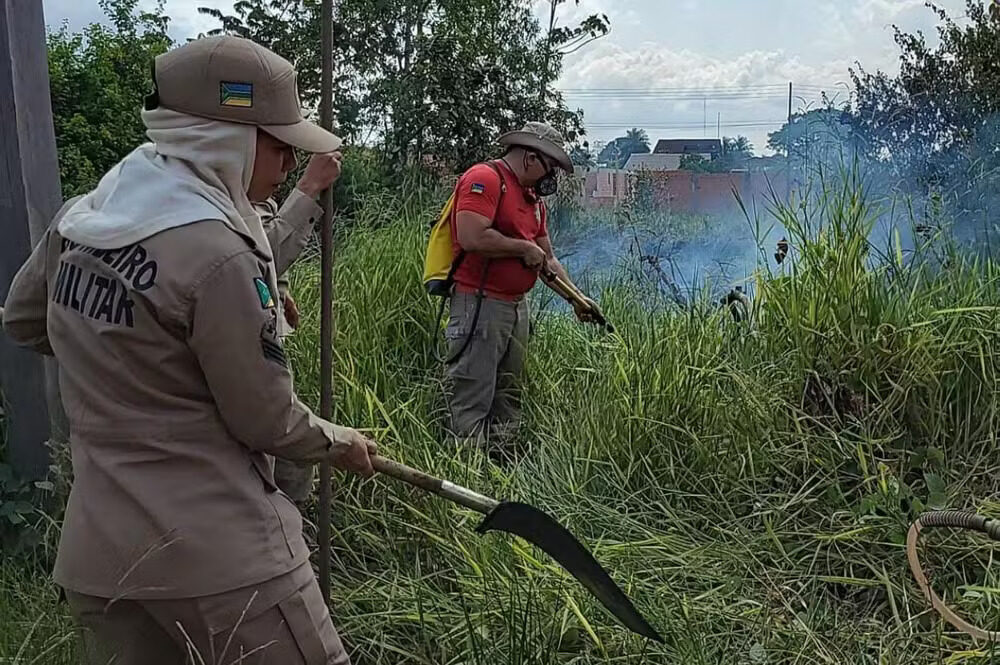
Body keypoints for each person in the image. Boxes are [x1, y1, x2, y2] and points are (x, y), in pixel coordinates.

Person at [2, 35, 373, 664]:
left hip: (102, 564)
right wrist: (341, 444)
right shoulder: (220, 251)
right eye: (278, 146)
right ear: (226, 140)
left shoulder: (86, 218)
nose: (286, 165)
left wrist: (133, 367)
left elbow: (26, 321)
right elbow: (266, 419)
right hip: (223, 565)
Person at [444, 121, 596, 452]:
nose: (550, 177)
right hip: (480, 304)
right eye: (550, 167)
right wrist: (520, 248)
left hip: (515, 307)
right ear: (530, 157)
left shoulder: (531, 200)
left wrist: (577, 299)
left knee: (509, 391)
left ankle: (501, 462)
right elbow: (471, 236)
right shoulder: (484, 179)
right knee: (474, 389)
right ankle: (466, 472)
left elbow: (548, 260)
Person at [256, 152, 344, 506]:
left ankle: (290, 523)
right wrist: (309, 187)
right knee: (281, 440)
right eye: (278, 149)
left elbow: (264, 260)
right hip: (243, 354)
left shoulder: (253, 195)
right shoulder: (217, 200)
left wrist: (281, 292)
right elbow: (257, 256)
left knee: (292, 459)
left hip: (264, 339)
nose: (290, 163)